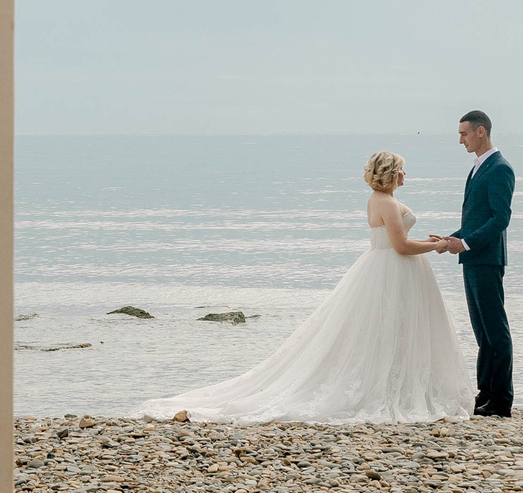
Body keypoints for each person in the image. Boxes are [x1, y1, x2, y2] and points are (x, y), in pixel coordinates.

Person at [137, 150, 470, 423]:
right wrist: (436, 247)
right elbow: (398, 247)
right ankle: (391, 388)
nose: (404, 176)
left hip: (388, 269)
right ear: (390, 173)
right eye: (401, 171)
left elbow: (394, 239)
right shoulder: (385, 201)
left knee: (386, 330)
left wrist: (425, 240)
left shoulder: (377, 199)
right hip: (393, 270)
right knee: (386, 329)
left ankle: (398, 381)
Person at [425, 110, 514, 417]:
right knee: (482, 332)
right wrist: (452, 238)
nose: (460, 139)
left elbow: (499, 219)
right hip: (473, 258)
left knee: (495, 330)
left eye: (463, 133)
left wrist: (464, 243)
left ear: (480, 131)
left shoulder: (500, 168)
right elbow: (476, 219)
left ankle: (501, 399)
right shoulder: (478, 167)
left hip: (487, 260)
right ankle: (485, 393)